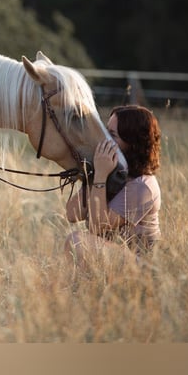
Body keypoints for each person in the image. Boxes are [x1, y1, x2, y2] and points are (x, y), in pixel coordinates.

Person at [64, 105, 162, 270]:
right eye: (105, 131)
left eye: (112, 135)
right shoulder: (113, 173)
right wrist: (95, 174)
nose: (105, 140)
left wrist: (101, 175)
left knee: (77, 241)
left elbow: (97, 227)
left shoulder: (143, 186)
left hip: (141, 264)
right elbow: (72, 214)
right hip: (116, 255)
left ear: (132, 142)